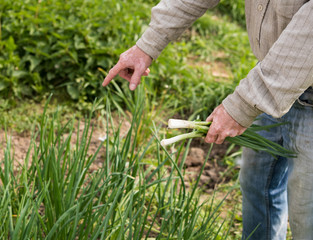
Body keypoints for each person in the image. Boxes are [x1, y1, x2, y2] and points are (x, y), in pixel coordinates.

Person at [102, 1, 313, 239]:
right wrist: (147, 45)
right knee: (257, 187)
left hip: (290, 89)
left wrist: (243, 104)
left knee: (307, 220)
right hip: (269, 78)